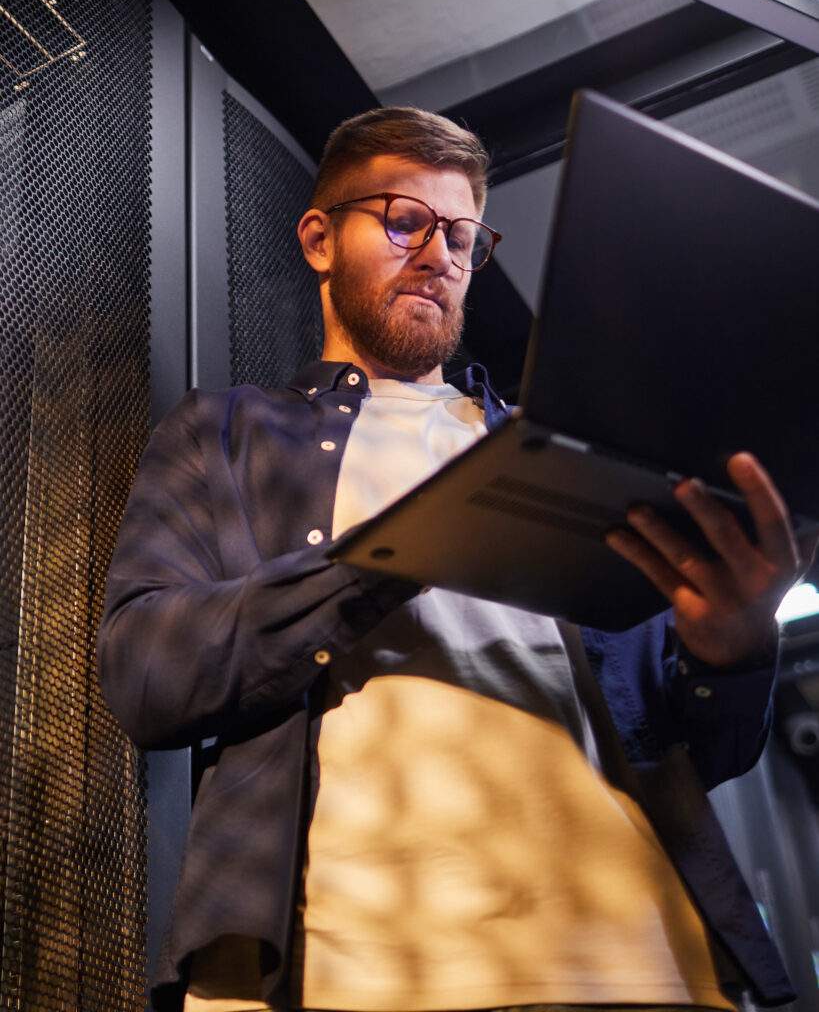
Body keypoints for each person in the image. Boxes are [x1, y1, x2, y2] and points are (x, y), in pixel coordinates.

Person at [98, 107, 805, 1012]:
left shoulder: (562, 455)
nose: (437, 253)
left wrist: (729, 645)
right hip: (352, 971)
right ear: (319, 239)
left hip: (640, 959)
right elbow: (147, 677)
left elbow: (706, 744)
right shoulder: (226, 435)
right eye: (403, 220)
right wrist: (391, 556)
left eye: (463, 236)